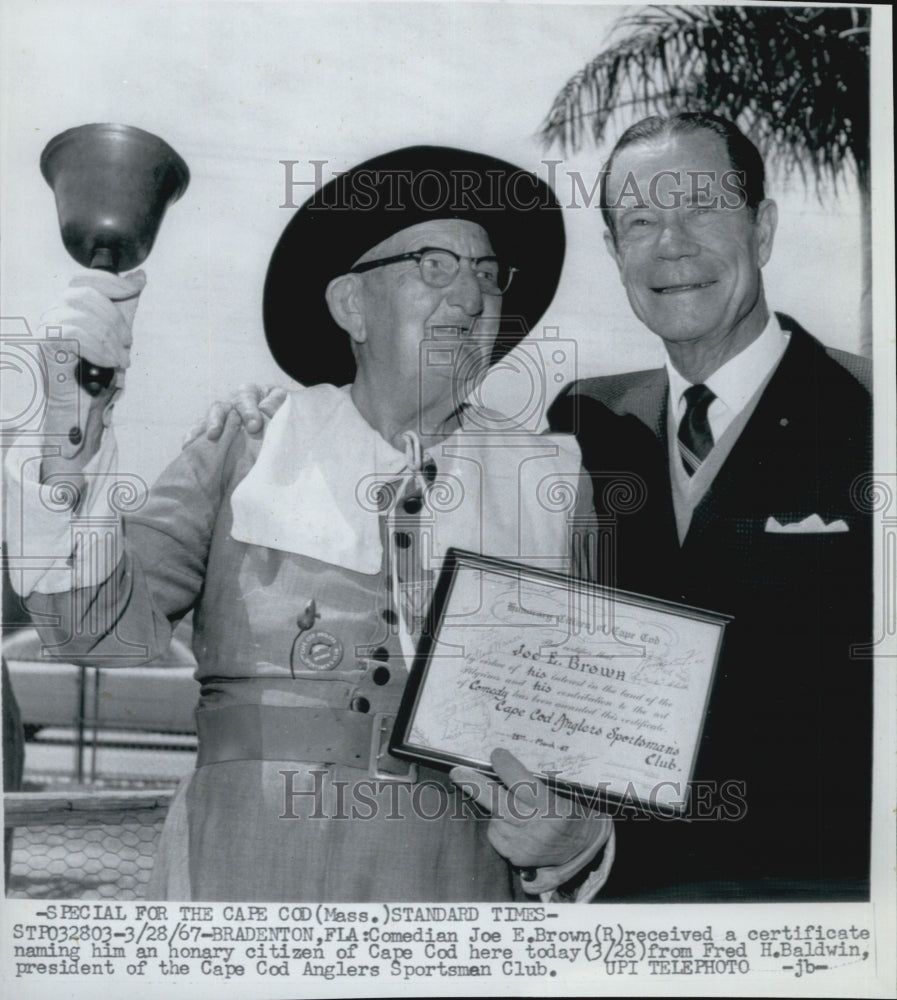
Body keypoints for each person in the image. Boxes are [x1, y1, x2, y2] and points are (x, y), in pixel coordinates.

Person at [4, 146, 613, 902]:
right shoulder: (246, 445)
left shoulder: (552, 484)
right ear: (350, 305)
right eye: (434, 265)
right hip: (241, 882)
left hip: (452, 894)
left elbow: (593, 739)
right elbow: (86, 630)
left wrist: (575, 835)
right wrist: (75, 418)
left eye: (488, 273)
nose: (471, 295)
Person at [548, 112, 872, 900]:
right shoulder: (581, 425)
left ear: (760, 227)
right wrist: (293, 412)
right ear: (614, 252)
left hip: (823, 912)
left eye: (698, 208)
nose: (671, 244)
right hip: (615, 909)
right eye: (640, 221)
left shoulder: (874, 415)